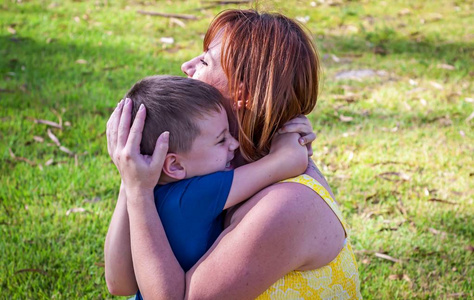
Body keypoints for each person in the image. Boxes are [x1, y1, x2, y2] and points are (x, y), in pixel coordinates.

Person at [105, 9, 361, 300]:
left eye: (204, 61)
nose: (186, 66)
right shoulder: (209, 167)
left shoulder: (287, 203)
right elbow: (121, 284)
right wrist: (133, 180)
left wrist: (139, 192)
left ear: (244, 94)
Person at [122, 74, 307, 275]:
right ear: (174, 165)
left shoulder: (153, 186)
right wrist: (290, 130)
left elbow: (118, 283)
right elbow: (289, 161)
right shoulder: (196, 194)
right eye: (221, 140)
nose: (234, 144)